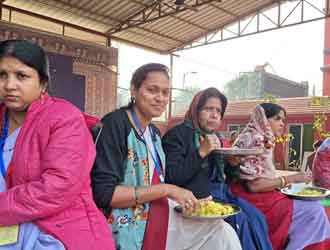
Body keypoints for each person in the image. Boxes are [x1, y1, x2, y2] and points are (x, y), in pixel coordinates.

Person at [0, 40, 115, 250]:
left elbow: (56, 189)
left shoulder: (64, 119)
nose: (9, 85)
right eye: (2, 75)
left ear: (43, 83)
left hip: (59, 234)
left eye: (22, 76)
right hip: (9, 230)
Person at [91, 63, 199, 250]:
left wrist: (189, 199)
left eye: (165, 93)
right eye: (152, 90)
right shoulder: (115, 125)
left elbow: (159, 180)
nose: (160, 98)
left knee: (220, 231)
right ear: (134, 90)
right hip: (122, 225)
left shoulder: (154, 133)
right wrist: (167, 190)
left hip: (155, 213)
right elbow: (104, 194)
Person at [162, 87, 272, 250]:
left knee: (257, 218)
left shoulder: (217, 138)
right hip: (195, 198)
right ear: (196, 110)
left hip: (222, 194)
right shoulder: (177, 135)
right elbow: (172, 177)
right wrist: (201, 152)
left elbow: (222, 174)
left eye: (218, 111)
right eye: (208, 109)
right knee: (240, 222)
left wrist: (233, 165)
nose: (214, 115)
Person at [231, 102, 330, 250]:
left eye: (283, 120)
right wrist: (290, 178)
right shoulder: (257, 140)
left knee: (313, 207)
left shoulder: (261, 137)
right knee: (314, 212)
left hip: (254, 194)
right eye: (277, 119)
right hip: (252, 199)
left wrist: (281, 184)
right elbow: (253, 185)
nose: (282, 124)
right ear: (264, 119)